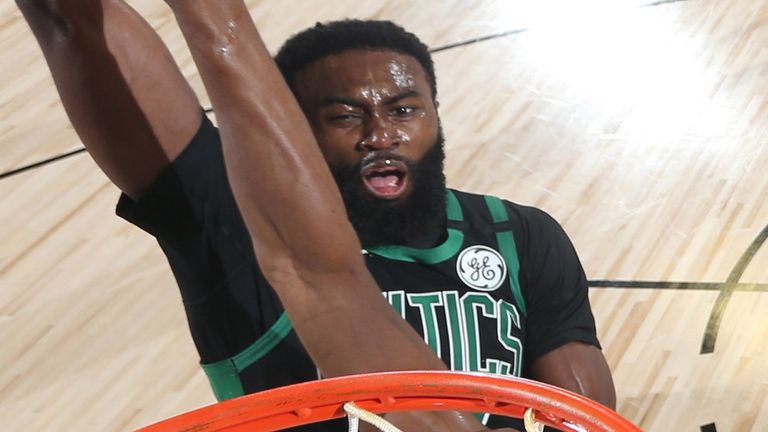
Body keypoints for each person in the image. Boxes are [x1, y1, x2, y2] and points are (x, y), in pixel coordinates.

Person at [18, 0, 615, 430]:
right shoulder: (236, 229)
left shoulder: (518, 236)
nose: (380, 134)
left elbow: (585, 416)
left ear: (437, 113)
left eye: (404, 109)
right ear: (289, 135)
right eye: (343, 116)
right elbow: (70, 18)